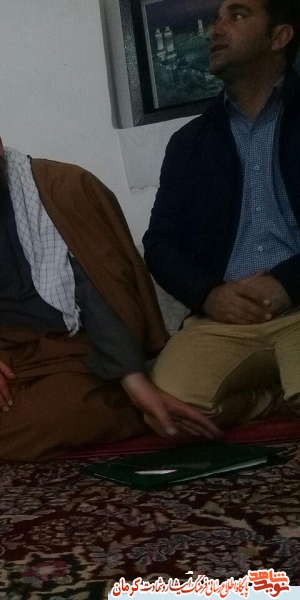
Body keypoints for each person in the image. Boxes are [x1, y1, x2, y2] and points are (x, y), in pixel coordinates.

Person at [0, 91, 222, 461]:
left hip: (79, 352)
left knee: (63, 410)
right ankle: (109, 413)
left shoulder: (67, 188)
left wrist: (130, 376)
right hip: (5, 360)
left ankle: (122, 401)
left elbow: (103, 287)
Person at [144, 0, 300, 428]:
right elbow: (159, 243)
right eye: (217, 18)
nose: (215, 29)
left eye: (238, 15)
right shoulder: (189, 142)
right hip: (223, 317)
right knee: (167, 413)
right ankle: (274, 398)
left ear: (279, 36)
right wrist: (209, 294)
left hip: (298, 305)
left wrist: (287, 283)